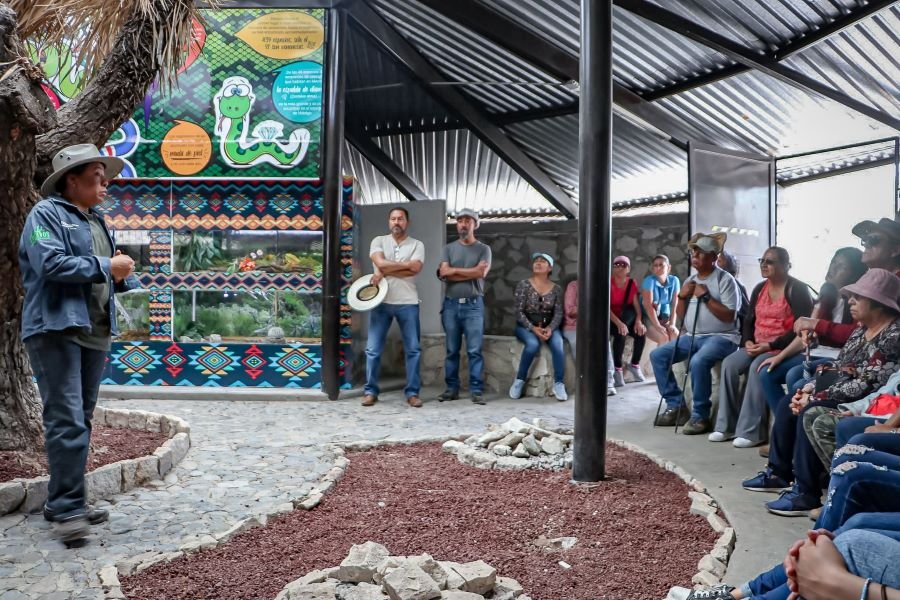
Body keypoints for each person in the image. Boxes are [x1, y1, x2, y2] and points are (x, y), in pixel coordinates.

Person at [20, 144, 138, 544]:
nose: (105, 185)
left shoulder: (99, 222)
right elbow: (49, 264)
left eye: (106, 179)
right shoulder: (44, 215)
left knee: (80, 420)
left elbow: (104, 273)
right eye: (96, 179)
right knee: (66, 419)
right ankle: (69, 510)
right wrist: (107, 266)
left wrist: (121, 275)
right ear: (72, 180)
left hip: (94, 332)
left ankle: (62, 501)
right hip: (55, 329)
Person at [742, 269, 900, 517]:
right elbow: (840, 367)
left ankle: (806, 492)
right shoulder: (861, 329)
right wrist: (810, 387)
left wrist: (815, 398)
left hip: (870, 400)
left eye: (858, 298)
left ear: (879, 303)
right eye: (851, 297)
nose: (851, 302)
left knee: (810, 410)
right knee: (789, 400)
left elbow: (868, 383)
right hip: (848, 390)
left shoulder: (894, 336)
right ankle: (778, 473)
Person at [710, 247, 814, 447]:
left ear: (785, 266)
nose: (764, 265)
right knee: (730, 364)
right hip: (758, 344)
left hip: (783, 348)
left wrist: (770, 345)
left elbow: (800, 329)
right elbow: (749, 319)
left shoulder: (797, 289)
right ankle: (725, 426)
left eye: (770, 261)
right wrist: (748, 341)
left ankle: (751, 432)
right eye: (762, 260)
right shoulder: (759, 288)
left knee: (758, 367)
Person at [651, 232, 742, 434]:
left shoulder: (725, 280)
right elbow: (683, 316)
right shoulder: (690, 280)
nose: (695, 256)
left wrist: (706, 295)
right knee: (657, 355)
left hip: (723, 337)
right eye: (694, 252)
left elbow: (729, 316)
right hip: (693, 336)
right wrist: (682, 297)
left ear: (713, 258)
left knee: (698, 361)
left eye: (700, 253)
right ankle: (677, 406)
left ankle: (700, 417)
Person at [794, 217, 900, 349]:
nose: (866, 244)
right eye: (865, 240)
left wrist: (815, 324)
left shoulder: (892, 287)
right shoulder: (868, 284)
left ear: (895, 250)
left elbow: (860, 334)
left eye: (874, 240)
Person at [363, 207, 425, 408]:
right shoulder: (378, 241)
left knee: (413, 350)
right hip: (381, 302)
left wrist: (384, 270)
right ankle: (370, 391)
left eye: (400, 219)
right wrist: (403, 266)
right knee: (373, 350)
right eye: (393, 219)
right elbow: (380, 261)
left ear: (407, 222)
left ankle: (413, 393)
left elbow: (415, 269)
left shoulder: (417, 244)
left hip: (408, 302)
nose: (396, 222)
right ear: (389, 222)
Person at [437, 209, 492, 405]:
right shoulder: (448, 249)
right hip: (451, 305)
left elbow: (480, 274)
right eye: (459, 220)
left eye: (467, 220)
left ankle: (476, 390)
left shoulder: (484, 249)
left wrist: (453, 271)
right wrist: (470, 271)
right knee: (451, 350)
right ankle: (451, 389)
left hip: (473, 305)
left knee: (474, 350)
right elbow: (444, 274)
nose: (462, 224)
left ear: (475, 224)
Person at [509, 253, 567, 401]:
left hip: (548, 326)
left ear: (550, 268)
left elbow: (559, 313)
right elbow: (518, 311)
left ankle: (559, 383)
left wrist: (550, 329)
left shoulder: (557, 289)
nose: (538, 263)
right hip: (525, 326)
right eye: (536, 261)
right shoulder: (524, 285)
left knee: (558, 345)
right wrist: (533, 328)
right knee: (532, 344)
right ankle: (519, 380)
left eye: (542, 261)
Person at [563, 279, 616, 396]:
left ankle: (609, 382)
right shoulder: (573, 286)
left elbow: (604, 309)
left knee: (604, 343)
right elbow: (570, 311)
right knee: (578, 343)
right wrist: (590, 307)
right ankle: (585, 382)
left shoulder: (599, 286)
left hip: (594, 326)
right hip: (574, 326)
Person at [609, 255, 646, 386]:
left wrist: (639, 321)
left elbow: (636, 305)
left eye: (623, 265)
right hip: (612, 319)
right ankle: (617, 370)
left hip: (626, 318)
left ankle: (635, 365)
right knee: (621, 334)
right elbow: (605, 307)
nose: (619, 267)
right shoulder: (609, 283)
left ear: (628, 269)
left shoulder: (631, 283)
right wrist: (619, 323)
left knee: (641, 333)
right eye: (616, 265)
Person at [641, 254, 680, 345]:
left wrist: (672, 324)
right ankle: (659, 359)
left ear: (669, 267)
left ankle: (670, 359)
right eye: (655, 265)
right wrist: (658, 326)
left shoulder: (674, 281)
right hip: (649, 318)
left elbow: (675, 304)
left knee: (675, 335)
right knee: (664, 337)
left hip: (664, 317)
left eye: (661, 264)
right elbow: (648, 306)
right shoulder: (649, 281)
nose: (658, 267)